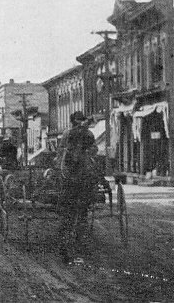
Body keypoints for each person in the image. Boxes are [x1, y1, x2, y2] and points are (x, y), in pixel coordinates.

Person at [57, 111, 98, 264]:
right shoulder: (72, 133)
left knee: (78, 214)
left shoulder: (86, 134)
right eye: (78, 121)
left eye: (81, 121)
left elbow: (94, 149)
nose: (79, 123)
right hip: (70, 171)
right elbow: (62, 150)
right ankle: (68, 246)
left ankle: (75, 245)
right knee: (71, 215)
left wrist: (87, 153)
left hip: (78, 172)